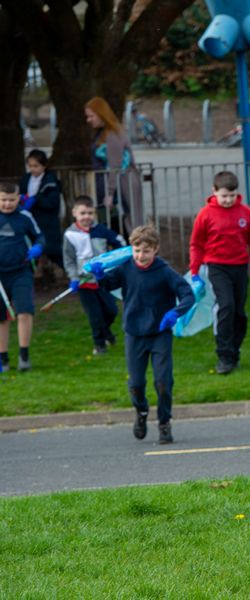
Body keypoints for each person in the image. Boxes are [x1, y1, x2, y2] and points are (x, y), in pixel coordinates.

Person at [89, 225, 193, 443]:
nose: (141, 256)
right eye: (136, 250)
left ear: (155, 249)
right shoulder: (127, 268)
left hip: (160, 333)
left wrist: (175, 313)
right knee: (136, 384)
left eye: (146, 251)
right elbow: (109, 284)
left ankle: (164, 422)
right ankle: (141, 412)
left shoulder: (164, 271)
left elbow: (187, 295)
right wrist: (100, 276)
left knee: (163, 381)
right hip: (134, 333)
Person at [190, 171, 250, 375]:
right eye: (224, 196)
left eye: (232, 196)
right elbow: (196, 244)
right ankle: (224, 355)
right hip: (216, 267)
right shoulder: (205, 214)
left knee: (239, 311)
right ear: (214, 191)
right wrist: (195, 271)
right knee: (226, 306)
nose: (228, 200)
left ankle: (235, 349)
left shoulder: (245, 212)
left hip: (239, 266)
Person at [62, 195, 126, 354]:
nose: (86, 217)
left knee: (111, 311)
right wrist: (74, 277)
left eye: (90, 213)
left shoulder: (102, 231)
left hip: (103, 280)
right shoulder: (70, 235)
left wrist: (116, 262)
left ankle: (107, 333)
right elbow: (68, 259)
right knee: (95, 316)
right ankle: (99, 344)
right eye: (83, 213)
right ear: (74, 213)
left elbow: (120, 244)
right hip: (84, 283)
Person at [0, 181, 45, 372]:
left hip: (21, 272)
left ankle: (24, 356)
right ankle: (3, 359)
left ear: (18, 199)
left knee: (24, 311)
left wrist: (38, 247)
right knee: (1, 318)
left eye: (11, 200)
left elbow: (40, 236)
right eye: (3, 200)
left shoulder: (25, 217)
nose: (7, 204)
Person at [84, 96, 143, 234]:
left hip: (122, 183)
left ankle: (138, 250)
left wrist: (110, 193)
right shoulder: (103, 133)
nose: (89, 120)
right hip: (113, 183)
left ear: (100, 114)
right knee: (114, 221)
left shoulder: (113, 133)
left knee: (131, 220)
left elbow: (115, 165)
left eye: (91, 116)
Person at [19, 149, 63, 270]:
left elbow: (52, 203)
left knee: (53, 252)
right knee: (31, 252)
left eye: (36, 166)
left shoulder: (50, 181)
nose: (33, 169)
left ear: (44, 166)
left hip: (47, 223)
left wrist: (36, 199)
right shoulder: (26, 179)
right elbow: (22, 194)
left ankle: (73, 275)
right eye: (30, 166)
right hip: (30, 221)